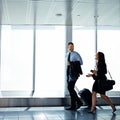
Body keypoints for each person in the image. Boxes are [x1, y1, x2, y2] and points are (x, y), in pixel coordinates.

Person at [66, 42, 83, 110]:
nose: (71, 48)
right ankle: (73, 105)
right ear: (68, 47)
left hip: (74, 73)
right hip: (69, 72)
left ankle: (79, 102)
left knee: (70, 88)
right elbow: (67, 64)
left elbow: (81, 62)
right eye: (70, 46)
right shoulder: (67, 54)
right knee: (71, 89)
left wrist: (72, 63)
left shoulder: (76, 54)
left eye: (72, 46)